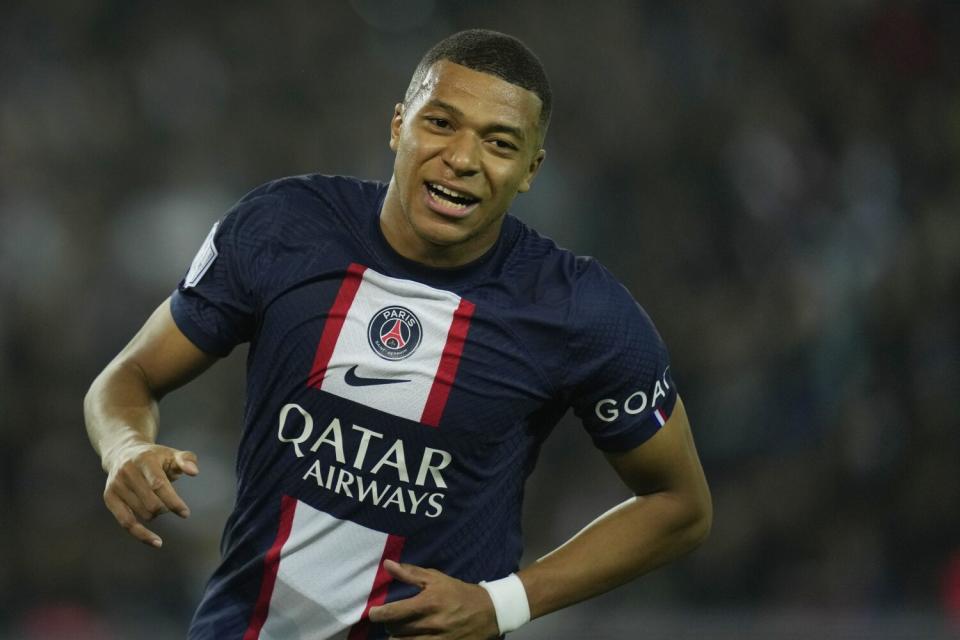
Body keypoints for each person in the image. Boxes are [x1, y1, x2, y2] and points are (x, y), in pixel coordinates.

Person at [84, 28, 712, 640]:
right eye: (441, 123)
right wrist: (125, 449)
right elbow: (129, 377)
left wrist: (504, 603)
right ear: (397, 126)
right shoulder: (284, 227)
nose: (462, 160)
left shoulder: (580, 312)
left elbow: (679, 506)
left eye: (498, 143)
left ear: (529, 169)